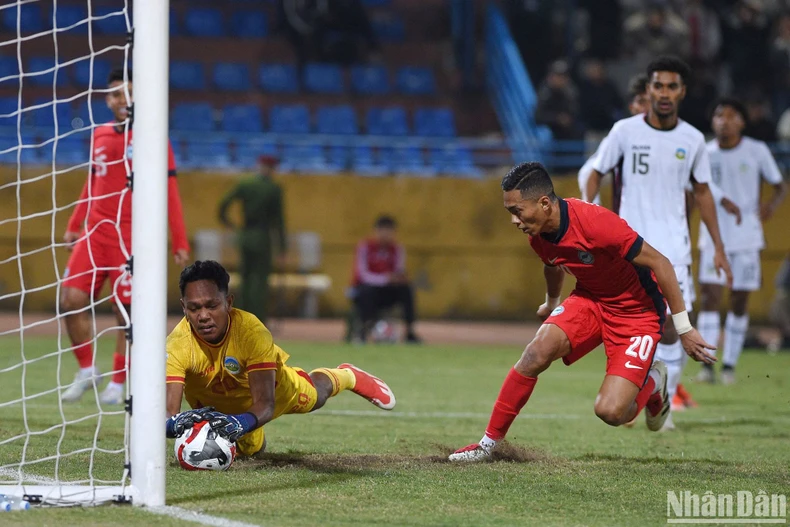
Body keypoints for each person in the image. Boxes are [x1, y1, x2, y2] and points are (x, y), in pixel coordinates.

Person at [448, 162, 716, 462]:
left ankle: (654, 382)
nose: (514, 220)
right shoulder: (538, 234)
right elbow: (552, 265)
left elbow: (661, 263)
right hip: (590, 300)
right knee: (535, 354)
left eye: (517, 211)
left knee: (613, 412)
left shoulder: (596, 223)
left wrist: (684, 328)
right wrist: (552, 302)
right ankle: (488, 446)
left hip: (636, 313)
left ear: (544, 203)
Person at [585, 56, 731, 431]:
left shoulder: (693, 139)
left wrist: (717, 245)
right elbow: (596, 172)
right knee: (628, 322)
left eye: (671, 86)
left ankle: (665, 394)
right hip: (628, 247)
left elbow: (703, 193)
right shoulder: (624, 131)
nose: (664, 93)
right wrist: (594, 214)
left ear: (682, 91)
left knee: (673, 326)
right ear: (647, 90)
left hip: (674, 249)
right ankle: (648, 385)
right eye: (658, 86)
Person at [165, 260, 395, 456]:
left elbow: (265, 405)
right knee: (252, 453)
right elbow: (167, 412)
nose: (203, 316)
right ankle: (250, 435)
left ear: (229, 302)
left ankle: (347, 375)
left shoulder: (252, 333)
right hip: (217, 408)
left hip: (273, 391)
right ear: (184, 307)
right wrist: (172, 425)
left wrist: (240, 422)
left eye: (212, 305)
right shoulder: (177, 344)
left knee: (316, 397)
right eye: (194, 308)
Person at [60, 69, 190, 405]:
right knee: (70, 300)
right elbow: (92, 183)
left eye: (129, 92)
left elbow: (171, 188)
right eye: (116, 93)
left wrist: (180, 240)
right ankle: (88, 369)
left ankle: (118, 382)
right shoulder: (100, 135)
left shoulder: (154, 138)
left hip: (131, 239)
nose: (122, 99)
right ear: (108, 100)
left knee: (125, 313)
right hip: (94, 233)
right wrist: (75, 224)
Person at [695, 98, 787, 384]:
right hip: (713, 236)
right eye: (719, 116)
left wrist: (771, 205)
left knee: (739, 302)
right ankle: (708, 366)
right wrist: (722, 199)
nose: (724, 121)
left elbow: (779, 184)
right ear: (713, 122)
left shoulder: (757, 151)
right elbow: (696, 186)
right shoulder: (704, 153)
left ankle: (730, 366)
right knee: (710, 297)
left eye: (731, 116)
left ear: (742, 122)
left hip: (746, 237)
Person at [218, 155, 286, 323]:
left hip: (245, 235)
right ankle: (257, 319)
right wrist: (282, 247)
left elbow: (223, 205)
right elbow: (279, 221)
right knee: (260, 281)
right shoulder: (273, 189)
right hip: (263, 237)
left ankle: (240, 317)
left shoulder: (245, 184)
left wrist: (229, 223)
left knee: (245, 277)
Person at [578, 74, 649, 206]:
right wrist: (590, 210)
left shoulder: (676, 135)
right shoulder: (621, 133)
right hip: (629, 219)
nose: (646, 108)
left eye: (651, 102)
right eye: (641, 102)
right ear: (632, 107)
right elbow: (588, 172)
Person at [352, 215, 420, 343]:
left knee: (407, 290)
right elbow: (363, 274)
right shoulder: (365, 247)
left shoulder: (397, 249)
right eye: (382, 230)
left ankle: (410, 332)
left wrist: (400, 278)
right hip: (368, 289)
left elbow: (399, 270)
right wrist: (385, 279)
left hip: (388, 291)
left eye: (389, 231)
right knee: (366, 292)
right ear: (376, 231)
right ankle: (363, 331)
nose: (385, 235)